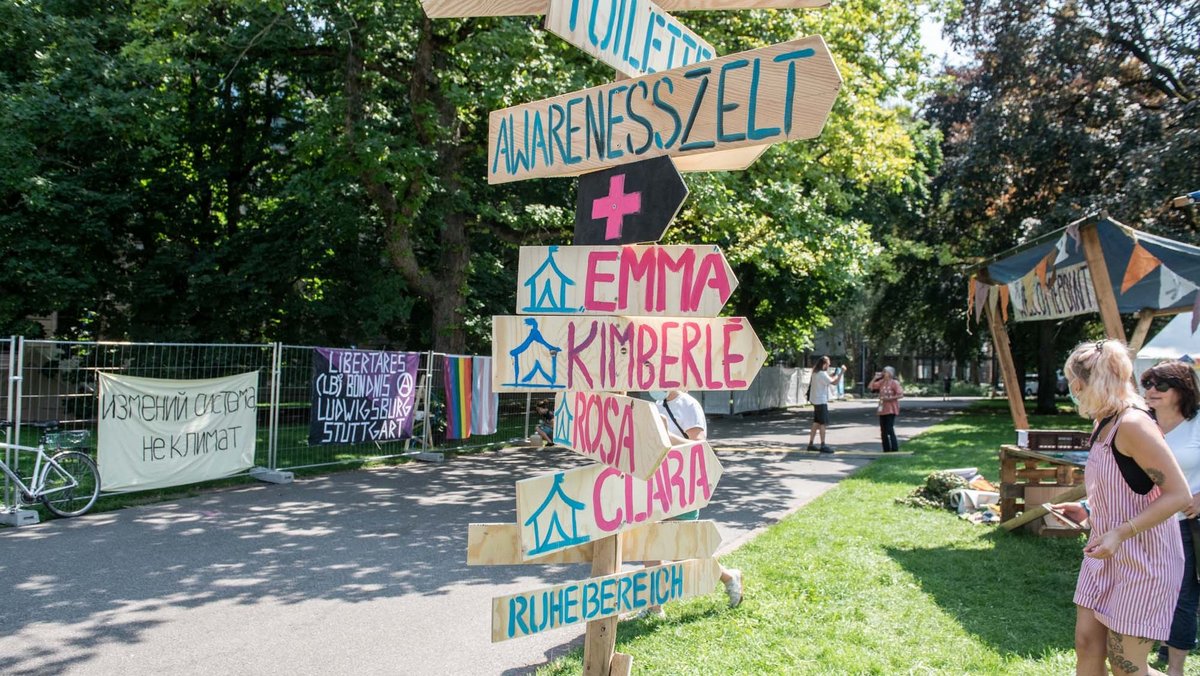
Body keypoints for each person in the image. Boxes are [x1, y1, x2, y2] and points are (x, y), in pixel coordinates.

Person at [1050, 340, 1191, 675]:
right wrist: (1087, 509)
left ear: (1086, 382)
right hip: (1105, 552)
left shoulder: (1133, 424)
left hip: (1144, 560)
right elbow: (1125, 487)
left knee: (1126, 665)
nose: (1073, 389)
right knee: (1087, 647)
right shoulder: (1104, 422)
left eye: (1074, 381)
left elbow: (1179, 495)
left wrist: (1121, 531)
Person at [634, 389, 742, 618]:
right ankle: (654, 606)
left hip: (683, 485)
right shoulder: (657, 405)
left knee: (680, 552)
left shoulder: (689, 405)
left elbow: (698, 447)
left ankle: (729, 577)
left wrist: (665, 434)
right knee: (649, 543)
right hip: (656, 483)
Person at [1140, 362, 1200, 675]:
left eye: (1161, 385)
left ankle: (1175, 668)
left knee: (1183, 595)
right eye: (1147, 383)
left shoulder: (1198, 423)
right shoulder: (1140, 423)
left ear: (1183, 390)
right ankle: (1139, 658)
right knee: (1146, 590)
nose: (1151, 390)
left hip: (1185, 526)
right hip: (1144, 524)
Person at [807, 356, 845, 454]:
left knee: (816, 423)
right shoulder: (822, 374)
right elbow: (835, 382)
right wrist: (841, 372)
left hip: (816, 401)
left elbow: (828, 379)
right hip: (821, 401)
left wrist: (833, 375)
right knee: (823, 423)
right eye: (828, 364)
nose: (829, 365)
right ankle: (823, 444)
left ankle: (811, 444)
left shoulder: (816, 373)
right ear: (824, 364)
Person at [868, 367, 903, 453]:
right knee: (883, 430)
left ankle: (894, 449)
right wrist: (875, 378)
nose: (883, 374)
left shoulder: (894, 383)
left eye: (885, 372)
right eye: (883, 372)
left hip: (891, 409)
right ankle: (886, 449)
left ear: (890, 374)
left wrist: (890, 398)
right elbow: (870, 387)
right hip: (882, 409)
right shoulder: (881, 382)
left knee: (889, 429)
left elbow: (900, 395)